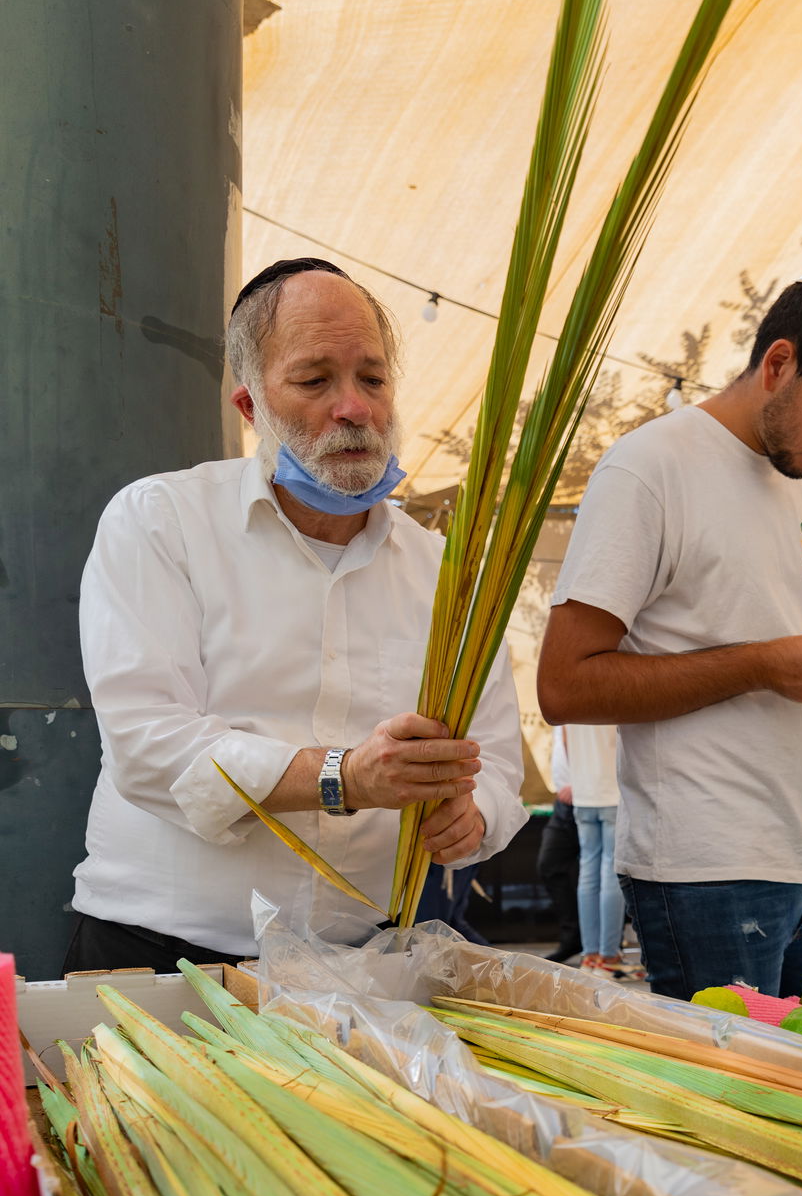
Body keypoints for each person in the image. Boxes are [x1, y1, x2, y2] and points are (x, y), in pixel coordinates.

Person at [67, 259, 528, 971]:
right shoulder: (162, 522)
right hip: (165, 956)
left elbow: (495, 759)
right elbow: (148, 744)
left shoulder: (446, 573)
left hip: (367, 964)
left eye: (372, 379)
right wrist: (344, 776)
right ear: (251, 407)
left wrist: (474, 816)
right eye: (315, 381)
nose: (354, 408)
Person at [536, 271, 802, 1000]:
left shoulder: (801, 482)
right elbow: (564, 685)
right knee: (738, 1106)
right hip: (706, 869)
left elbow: (774, 659)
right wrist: (764, 665)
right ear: (777, 363)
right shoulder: (649, 469)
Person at [564, 722, 625, 972]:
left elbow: (566, 744)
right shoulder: (612, 689)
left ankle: (590, 954)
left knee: (588, 871)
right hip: (612, 790)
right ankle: (608, 956)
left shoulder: (569, 693)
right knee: (610, 871)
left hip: (583, 791)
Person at [537, 727, 582, 962]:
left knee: (598, 875)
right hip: (564, 800)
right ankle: (573, 937)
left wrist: (580, 782)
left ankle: (604, 945)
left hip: (587, 796)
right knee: (549, 864)